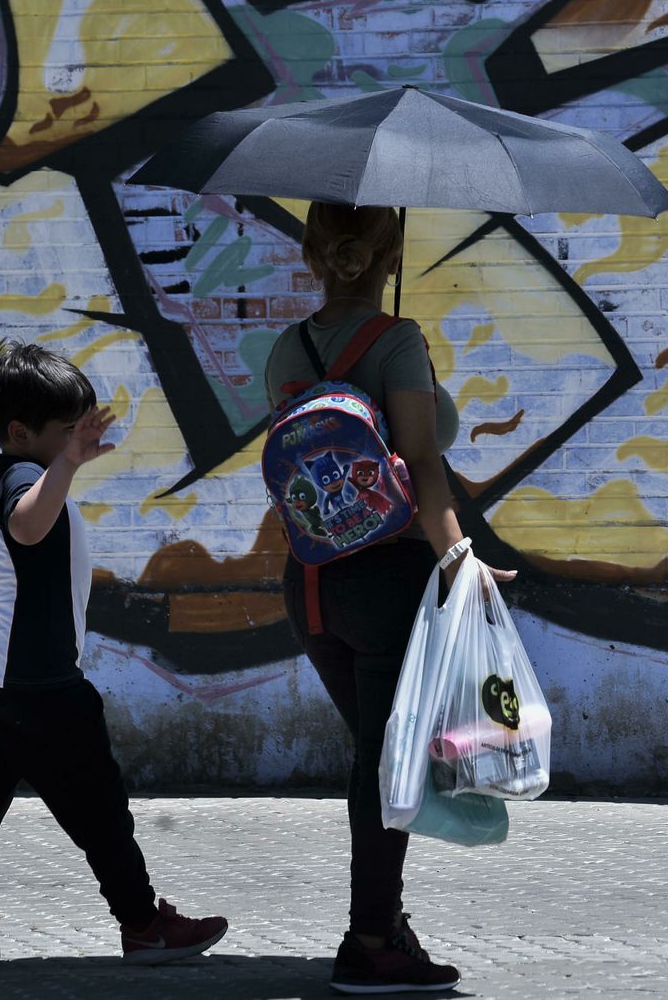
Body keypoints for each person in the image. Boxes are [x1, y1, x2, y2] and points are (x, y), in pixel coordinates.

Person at [0, 342, 228, 969]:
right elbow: (25, 526)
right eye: (68, 431)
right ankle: (144, 926)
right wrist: (65, 470)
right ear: (22, 432)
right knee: (102, 811)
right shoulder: (25, 480)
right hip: (42, 689)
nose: (78, 439)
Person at [262, 203, 516, 995]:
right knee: (385, 766)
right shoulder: (398, 341)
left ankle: (382, 926)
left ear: (311, 253)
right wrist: (462, 559)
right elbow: (424, 470)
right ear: (392, 253)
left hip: (309, 587)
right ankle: (372, 938)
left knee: (381, 759)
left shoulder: (283, 349)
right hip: (386, 582)